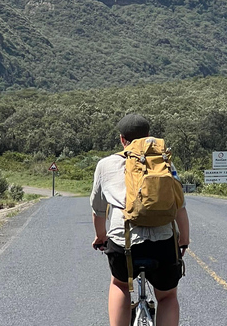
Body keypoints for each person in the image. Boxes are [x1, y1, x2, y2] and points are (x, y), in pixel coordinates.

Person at [90, 114, 190, 326]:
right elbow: (179, 207)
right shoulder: (164, 163)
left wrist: (101, 237)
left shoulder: (105, 165)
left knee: (119, 285)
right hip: (163, 242)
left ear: (122, 139)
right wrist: (184, 241)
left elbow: (98, 211)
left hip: (123, 244)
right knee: (167, 296)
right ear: (148, 136)